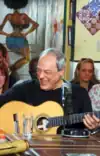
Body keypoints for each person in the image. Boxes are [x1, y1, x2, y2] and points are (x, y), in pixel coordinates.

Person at [0, 48, 100, 133]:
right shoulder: (24, 89)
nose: (41, 76)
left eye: (47, 72)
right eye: (39, 70)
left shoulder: (79, 94)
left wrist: (93, 127)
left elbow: (88, 130)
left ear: (61, 71)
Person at [0, 0, 39, 72]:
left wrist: (7, 34)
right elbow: (36, 25)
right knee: (27, 58)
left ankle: (10, 69)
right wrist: (26, 33)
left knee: (21, 56)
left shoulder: (9, 16)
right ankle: (10, 70)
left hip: (9, 40)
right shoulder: (23, 16)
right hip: (20, 40)